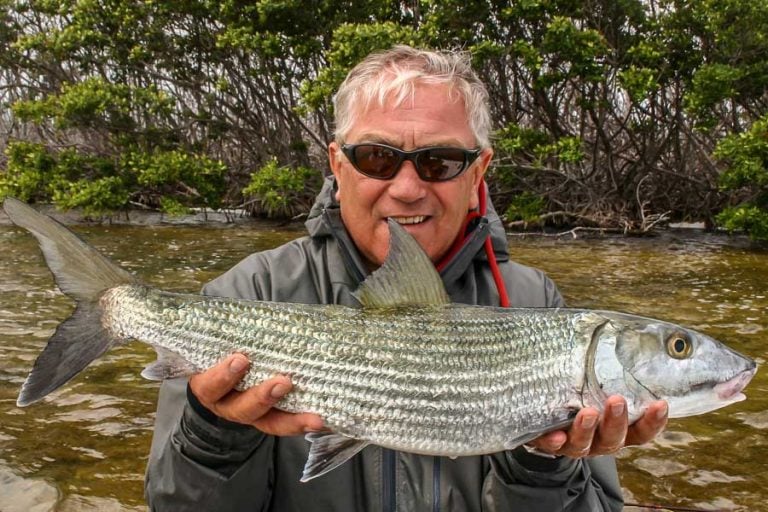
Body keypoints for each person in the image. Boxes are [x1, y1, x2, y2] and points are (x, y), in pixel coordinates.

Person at [144, 45, 668, 511]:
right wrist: (215, 433)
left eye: (439, 161)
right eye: (377, 158)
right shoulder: (249, 292)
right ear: (338, 165)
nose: (408, 188)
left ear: (479, 171)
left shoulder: (536, 303)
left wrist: (541, 463)